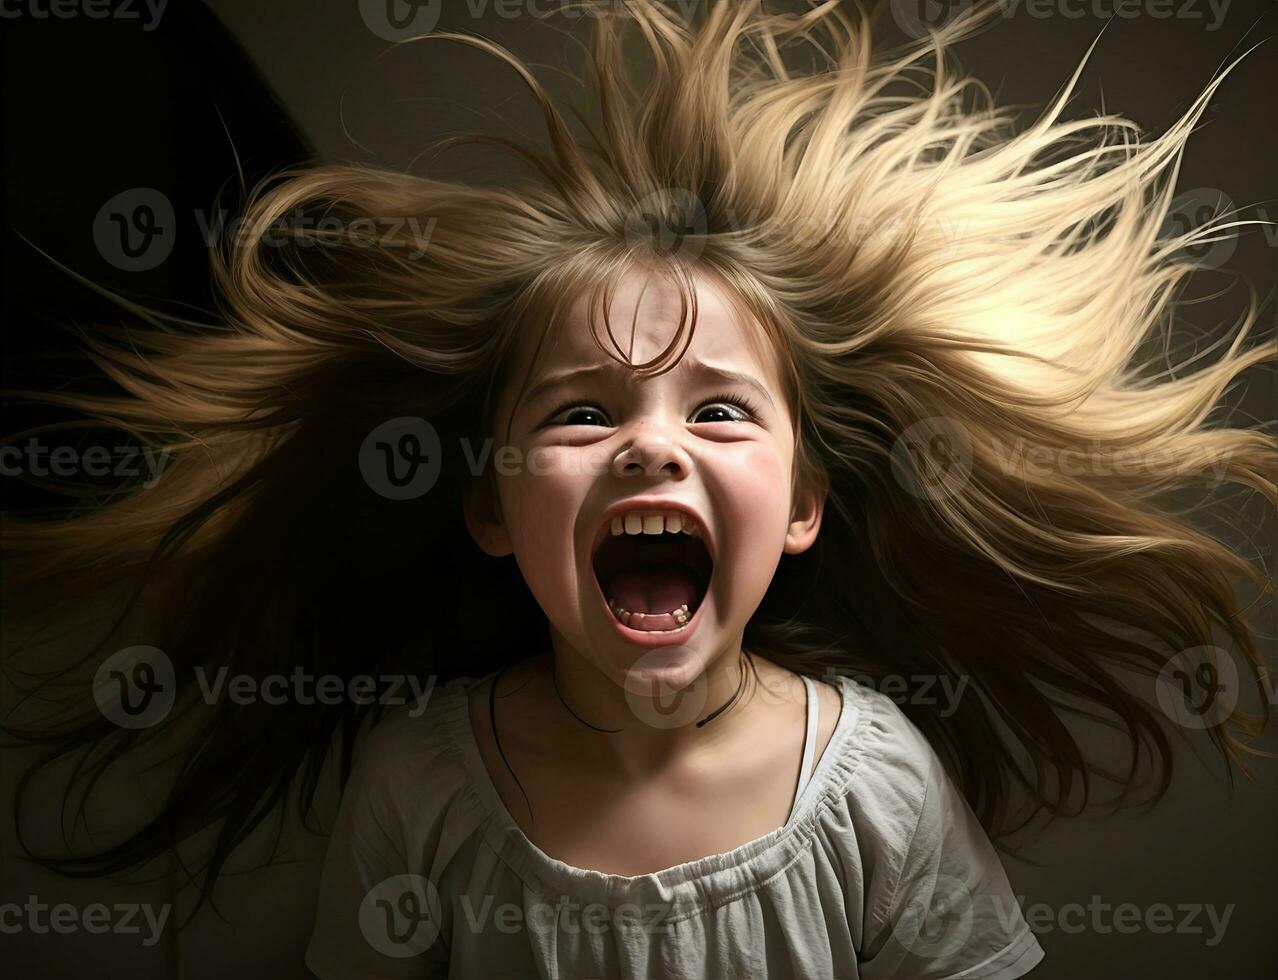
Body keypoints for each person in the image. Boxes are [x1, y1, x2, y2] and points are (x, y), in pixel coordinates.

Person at [3, 2, 1271, 978]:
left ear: (806, 505)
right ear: (492, 512)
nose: (651, 445)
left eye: (718, 408)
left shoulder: (877, 780)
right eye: (582, 409)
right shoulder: (423, 784)